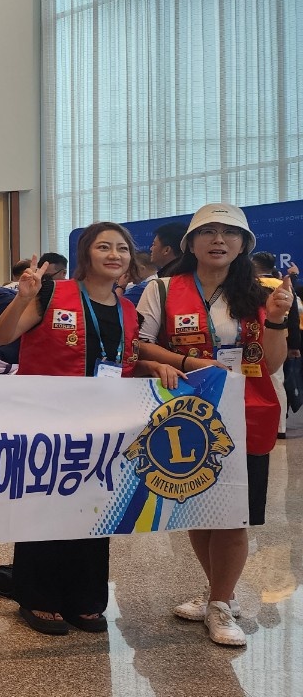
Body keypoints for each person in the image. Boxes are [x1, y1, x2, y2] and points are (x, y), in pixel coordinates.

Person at [0, 224, 177, 635]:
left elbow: (120, 364)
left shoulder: (127, 311)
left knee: (94, 507)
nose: (114, 255)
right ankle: (38, 597)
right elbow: (0, 337)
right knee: (45, 506)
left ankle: (85, 598)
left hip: (103, 428)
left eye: (122, 248)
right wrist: (22, 298)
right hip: (47, 422)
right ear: (86, 254)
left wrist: (151, 365)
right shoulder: (52, 294)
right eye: (103, 247)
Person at [135, 204, 290, 647]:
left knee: (234, 513)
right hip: (184, 415)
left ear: (243, 245)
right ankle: (219, 595)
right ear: (191, 243)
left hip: (246, 412)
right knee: (198, 507)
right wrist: (187, 362)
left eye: (230, 233)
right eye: (209, 232)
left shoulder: (261, 294)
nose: (219, 240)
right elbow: (139, 345)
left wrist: (277, 318)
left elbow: (271, 363)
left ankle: (220, 602)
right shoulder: (161, 289)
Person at [250, 252, 300, 439]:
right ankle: (280, 426)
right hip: (281, 337)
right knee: (278, 381)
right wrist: (294, 345)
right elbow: (293, 317)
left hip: (254, 338)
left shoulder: (251, 285)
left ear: (255, 264)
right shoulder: (282, 285)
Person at [126, 221, 188, 306]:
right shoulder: (191, 278)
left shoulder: (154, 287)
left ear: (166, 250)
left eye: (154, 244)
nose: (151, 249)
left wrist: (120, 287)